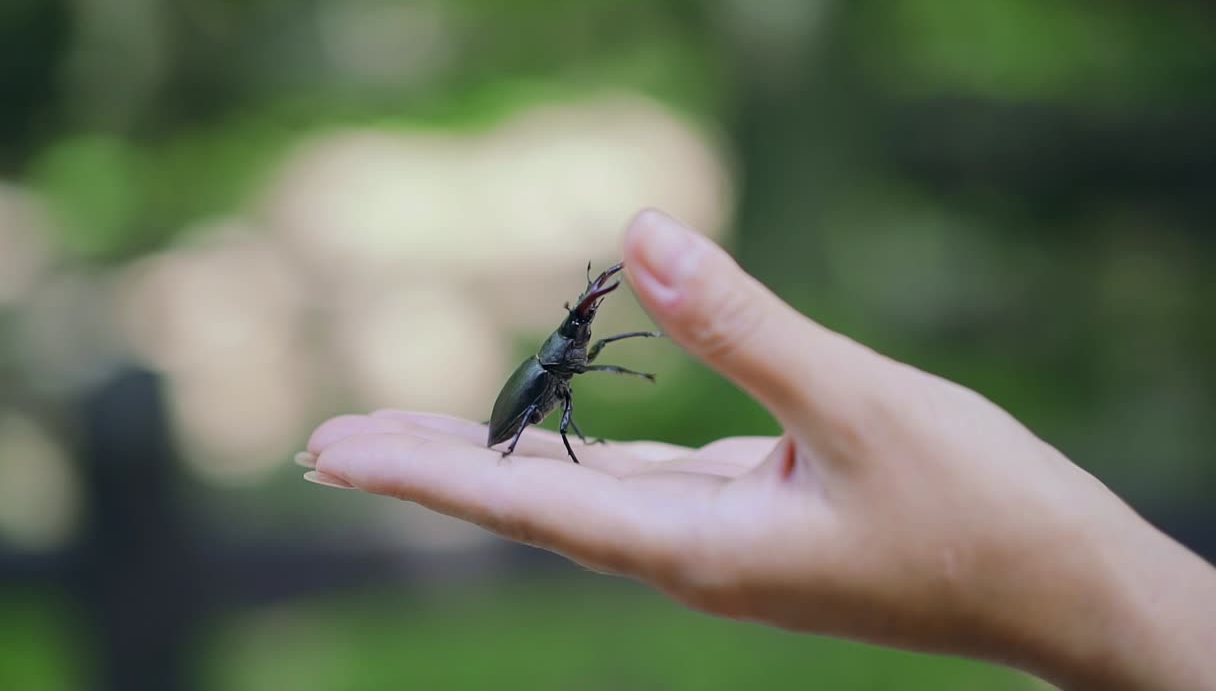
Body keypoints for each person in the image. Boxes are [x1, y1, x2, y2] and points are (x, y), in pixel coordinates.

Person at [298, 209, 1216, 690]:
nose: (589, 321)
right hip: (522, 411)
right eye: (583, 316)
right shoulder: (550, 365)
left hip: (533, 402)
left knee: (569, 396)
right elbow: (559, 378)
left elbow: (580, 353)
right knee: (555, 406)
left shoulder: (563, 347)